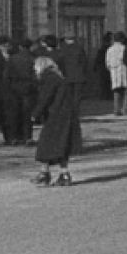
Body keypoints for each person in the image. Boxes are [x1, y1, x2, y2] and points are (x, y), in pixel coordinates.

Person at [31, 50, 82, 186]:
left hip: (56, 116)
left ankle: (46, 174)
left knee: (46, 144)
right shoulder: (58, 77)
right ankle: (59, 173)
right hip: (65, 115)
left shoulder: (49, 78)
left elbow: (45, 98)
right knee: (59, 145)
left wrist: (35, 114)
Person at [0, 37, 37, 144]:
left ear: (20, 47)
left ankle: (14, 137)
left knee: (14, 113)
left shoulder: (13, 59)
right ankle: (27, 137)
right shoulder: (34, 58)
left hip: (14, 88)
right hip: (29, 88)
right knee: (27, 114)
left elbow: (6, 76)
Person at [106, 31, 127, 117]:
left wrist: (111, 69)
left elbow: (107, 62)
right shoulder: (125, 48)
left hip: (114, 72)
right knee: (126, 91)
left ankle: (116, 109)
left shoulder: (109, 49)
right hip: (124, 71)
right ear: (122, 39)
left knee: (116, 91)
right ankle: (125, 109)